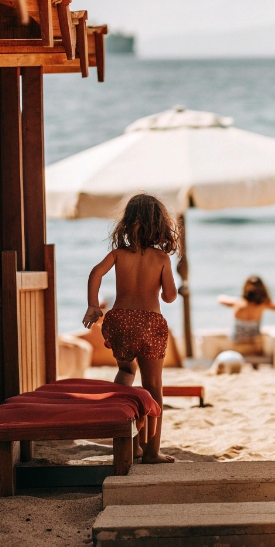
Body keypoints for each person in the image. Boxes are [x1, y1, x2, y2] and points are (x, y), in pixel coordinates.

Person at [82, 193, 178, 464]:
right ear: (160, 225)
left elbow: (95, 273)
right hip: (149, 323)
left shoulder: (118, 254)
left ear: (126, 223)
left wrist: (92, 305)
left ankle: (128, 441)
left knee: (125, 373)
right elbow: (169, 297)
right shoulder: (161, 259)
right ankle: (151, 451)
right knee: (153, 385)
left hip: (121, 320)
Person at [218, 276, 275, 354]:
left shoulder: (237, 303)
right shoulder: (263, 305)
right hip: (255, 345)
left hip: (236, 344)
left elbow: (220, 299)